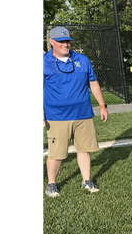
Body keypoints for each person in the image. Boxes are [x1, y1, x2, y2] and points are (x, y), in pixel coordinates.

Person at [43, 26, 109, 197]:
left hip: (83, 114)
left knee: (84, 149)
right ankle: (51, 184)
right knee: (57, 154)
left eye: (67, 41)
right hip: (57, 117)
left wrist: (102, 106)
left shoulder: (82, 60)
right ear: (52, 42)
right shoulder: (44, 62)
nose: (65, 44)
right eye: (61, 41)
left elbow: (93, 83)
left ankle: (86, 180)